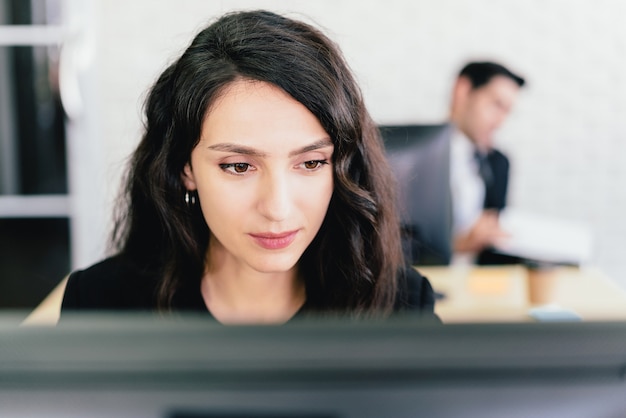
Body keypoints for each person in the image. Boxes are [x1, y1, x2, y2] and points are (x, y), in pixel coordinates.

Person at [60, 10, 436, 323]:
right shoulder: (99, 303)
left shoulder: (401, 307)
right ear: (185, 168)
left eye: (310, 162)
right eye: (239, 166)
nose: (277, 208)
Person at [448, 61, 525, 264]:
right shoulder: (413, 154)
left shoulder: (498, 162)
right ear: (463, 91)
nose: (500, 121)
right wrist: (456, 243)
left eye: (507, 111)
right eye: (496, 104)